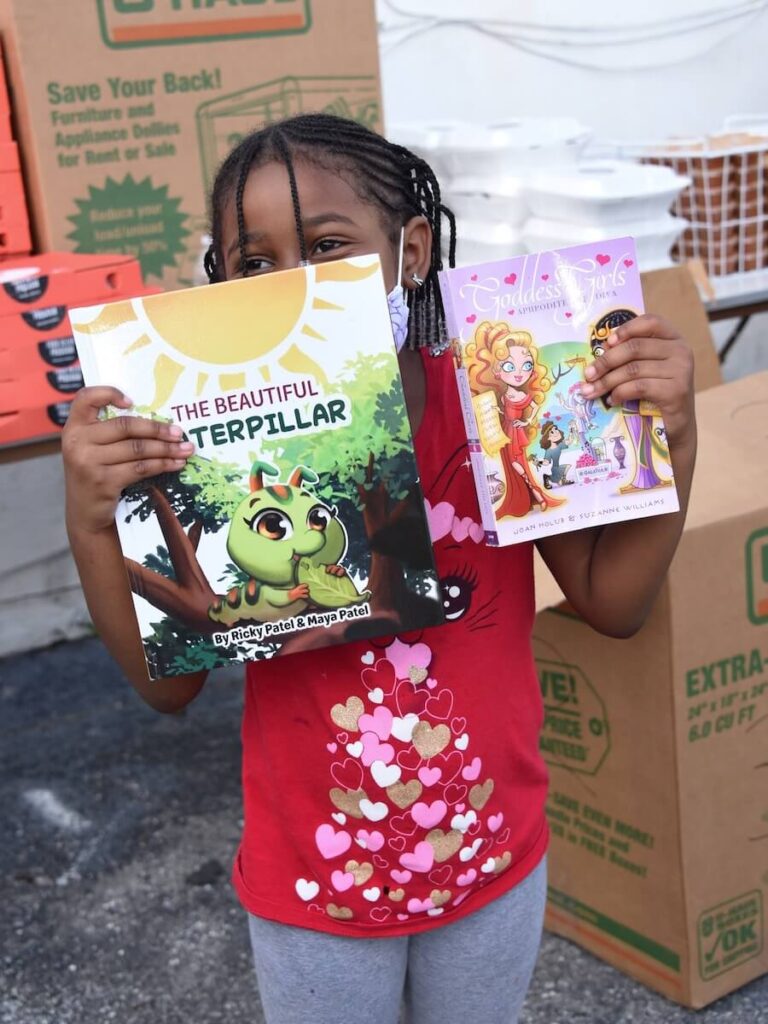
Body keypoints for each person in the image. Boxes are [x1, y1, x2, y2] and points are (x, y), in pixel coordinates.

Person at [62, 113, 696, 1024]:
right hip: (315, 891)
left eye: (327, 246)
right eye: (253, 265)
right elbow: (170, 691)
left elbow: (613, 601)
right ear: (218, 281)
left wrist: (674, 436)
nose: (295, 289)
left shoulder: (493, 404)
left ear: (412, 250)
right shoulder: (204, 447)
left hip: (492, 862)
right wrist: (93, 522)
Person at [465, 324, 560, 516]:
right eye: (509, 366)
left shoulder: (522, 396)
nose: (519, 373)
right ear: (496, 371)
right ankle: (527, 496)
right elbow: (502, 410)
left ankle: (536, 492)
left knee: (518, 463)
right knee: (510, 464)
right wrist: (494, 410)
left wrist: (526, 422)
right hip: (505, 432)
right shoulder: (503, 395)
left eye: (526, 365)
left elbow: (534, 407)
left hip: (516, 433)